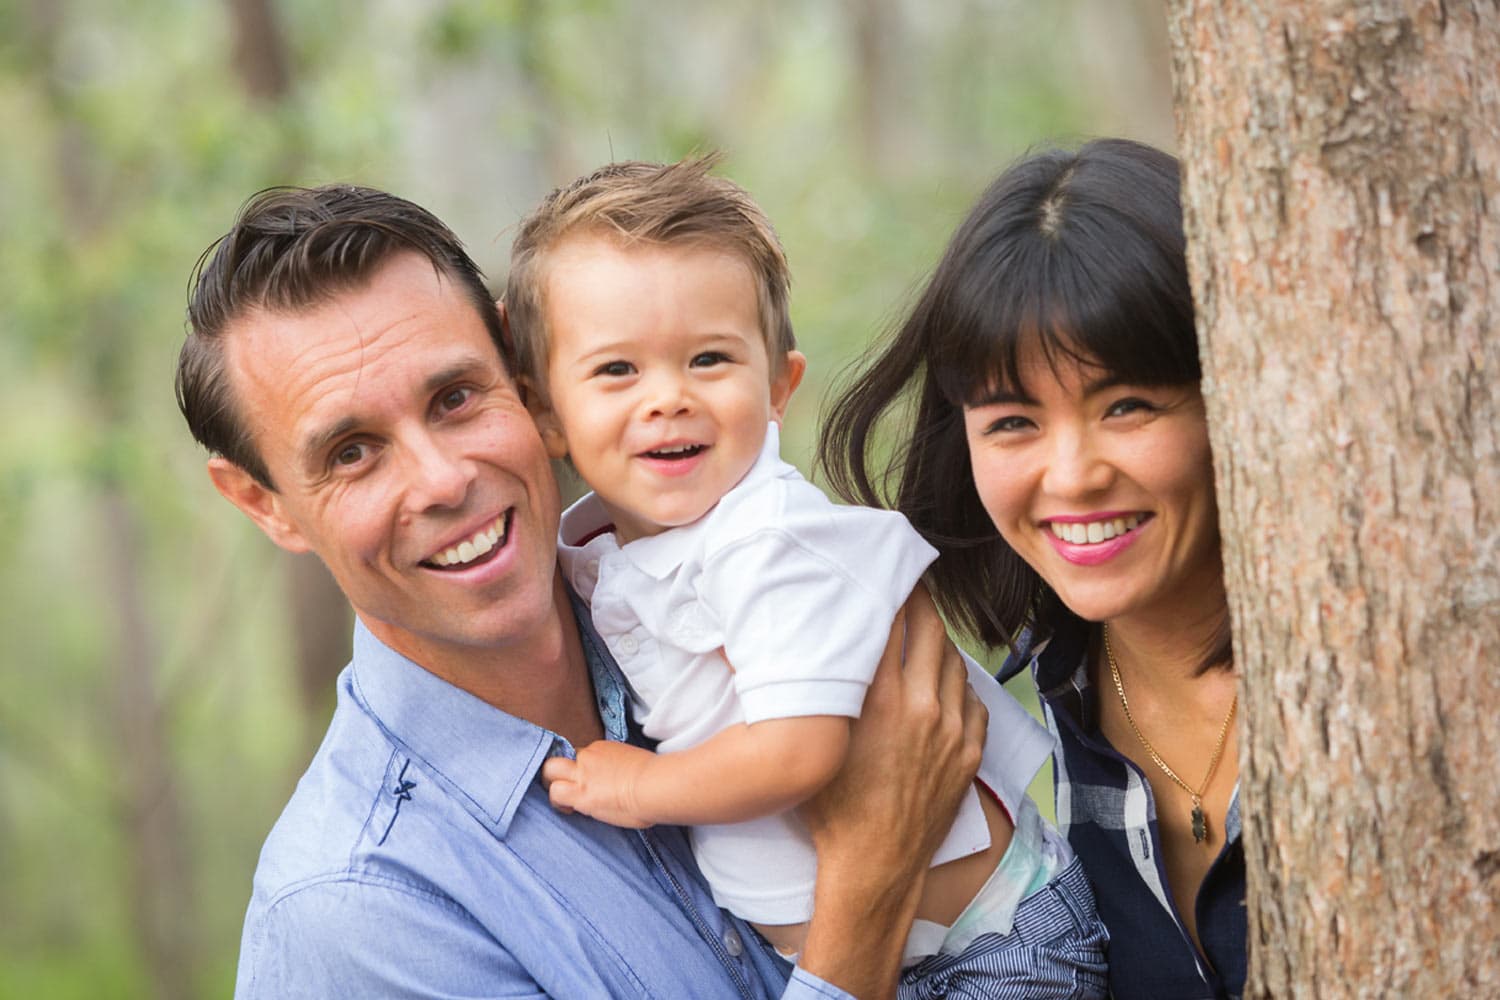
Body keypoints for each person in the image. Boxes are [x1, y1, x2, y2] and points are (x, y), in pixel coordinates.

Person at [176, 182, 995, 999]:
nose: (442, 480)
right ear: (263, 502)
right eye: (353, 451)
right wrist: (870, 881)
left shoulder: (698, 582)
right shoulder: (356, 918)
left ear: (527, 381)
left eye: (455, 397)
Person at [504, 157, 1108, 998]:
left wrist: (643, 787)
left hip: (991, 944)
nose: (668, 398)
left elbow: (800, 749)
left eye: (709, 359)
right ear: (543, 413)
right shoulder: (597, 555)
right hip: (888, 956)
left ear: (779, 383)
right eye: (617, 371)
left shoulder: (770, 543)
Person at [820, 138, 1247, 999]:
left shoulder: (1361, 676)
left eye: (1126, 406)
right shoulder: (1051, 687)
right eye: (1014, 421)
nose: (1074, 474)